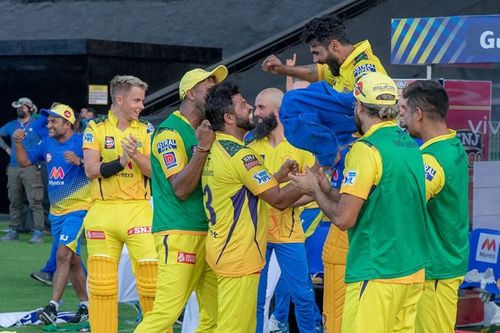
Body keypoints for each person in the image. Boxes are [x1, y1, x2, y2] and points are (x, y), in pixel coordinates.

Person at [290, 72, 429, 333]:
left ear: (360, 107)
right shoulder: (409, 144)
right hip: (411, 272)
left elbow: (344, 219)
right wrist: (327, 189)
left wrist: (314, 191)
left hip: (376, 272)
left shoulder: (366, 149)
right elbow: (372, 199)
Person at [202, 81, 304, 333]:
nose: (249, 108)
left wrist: (277, 176)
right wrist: (311, 177)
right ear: (228, 117)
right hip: (238, 254)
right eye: (242, 104)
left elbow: (241, 185)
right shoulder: (242, 155)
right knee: (233, 328)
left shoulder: (216, 147)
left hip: (224, 248)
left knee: (234, 324)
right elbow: (278, 200)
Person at [134, 65, 228, 333]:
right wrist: (202, 149)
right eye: (209, 87)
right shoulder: (169, 133)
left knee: (215, 316)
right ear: (190, 93)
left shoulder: (207, 130)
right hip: (178, 232)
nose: (215, 91)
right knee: (165, 313)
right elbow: (181, 188)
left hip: (207, 232)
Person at [82, 75, 158, 333]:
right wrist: (120, 160)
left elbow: (154, 173)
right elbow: (91, 171)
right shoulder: (96, 127)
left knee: (151, 280)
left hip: (138, 210)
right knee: (102, 285)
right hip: (102, 212)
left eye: (142, 101)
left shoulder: (146, 129)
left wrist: (134, 155)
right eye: (137, 100)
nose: (141, 106)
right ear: (119, 99)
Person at [247, 88, 322, 333]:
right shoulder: (250, 144)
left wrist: (282, 201)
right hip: (257, 235)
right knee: (256, 300)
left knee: (303, 296)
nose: (255, 113)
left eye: (260, 107)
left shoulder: (299, 144)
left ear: (277, 112)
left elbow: (313, 188)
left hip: (289, 235)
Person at [399, 80, 469, 333]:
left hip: (436, 271)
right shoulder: (452, 142)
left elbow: (404, 204)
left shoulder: (433, 160)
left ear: (419, 114)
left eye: (404, 111)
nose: (402, 119)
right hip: (442, 265)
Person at [13, 104, 91, 324]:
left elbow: (100, 165)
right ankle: (86, 305)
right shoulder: (47, 142)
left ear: (67, 123)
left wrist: (81, 162)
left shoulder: (83, 141)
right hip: (57, 213)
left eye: (53, 121)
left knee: (62, 255)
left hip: (79, 210)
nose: (49, 125)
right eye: (48, 121)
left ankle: (53, 306)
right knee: (74, 260)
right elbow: (25, 161)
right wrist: (18, 143)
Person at [262, 14, 385, 93]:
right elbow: (317, 72)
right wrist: (282, 69)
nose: (315, 60)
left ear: (334, 46)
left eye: (316, 53)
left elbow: (371, 111)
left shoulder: (364, 68)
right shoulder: (340, 65)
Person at [0, 97, 46, 243]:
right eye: (18, 107)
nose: (20, 109)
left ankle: (38, 232)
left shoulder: (38, 124)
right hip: (13, 167)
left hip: (31, 167)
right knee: (14, 200)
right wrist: (7, 148)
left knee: (35, 201)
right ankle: (13, 230)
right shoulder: (12, 124)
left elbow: (49, 137)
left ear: (30, 108)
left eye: (23, 106)